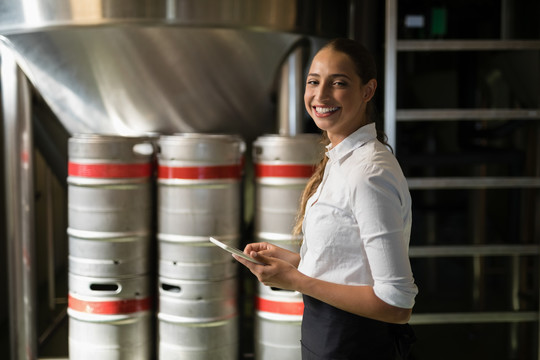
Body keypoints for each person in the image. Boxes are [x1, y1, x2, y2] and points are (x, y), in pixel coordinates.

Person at [234, 38, 418, 359]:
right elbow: (349, 266)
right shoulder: (341, 161)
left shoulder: (368, 173)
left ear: (367, 91)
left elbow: (395, 303)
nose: (321, 95)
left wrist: (296, 279)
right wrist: (291, 261)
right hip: (327, 340)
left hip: (356, 345)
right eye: (313, 82)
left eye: (339, 83)